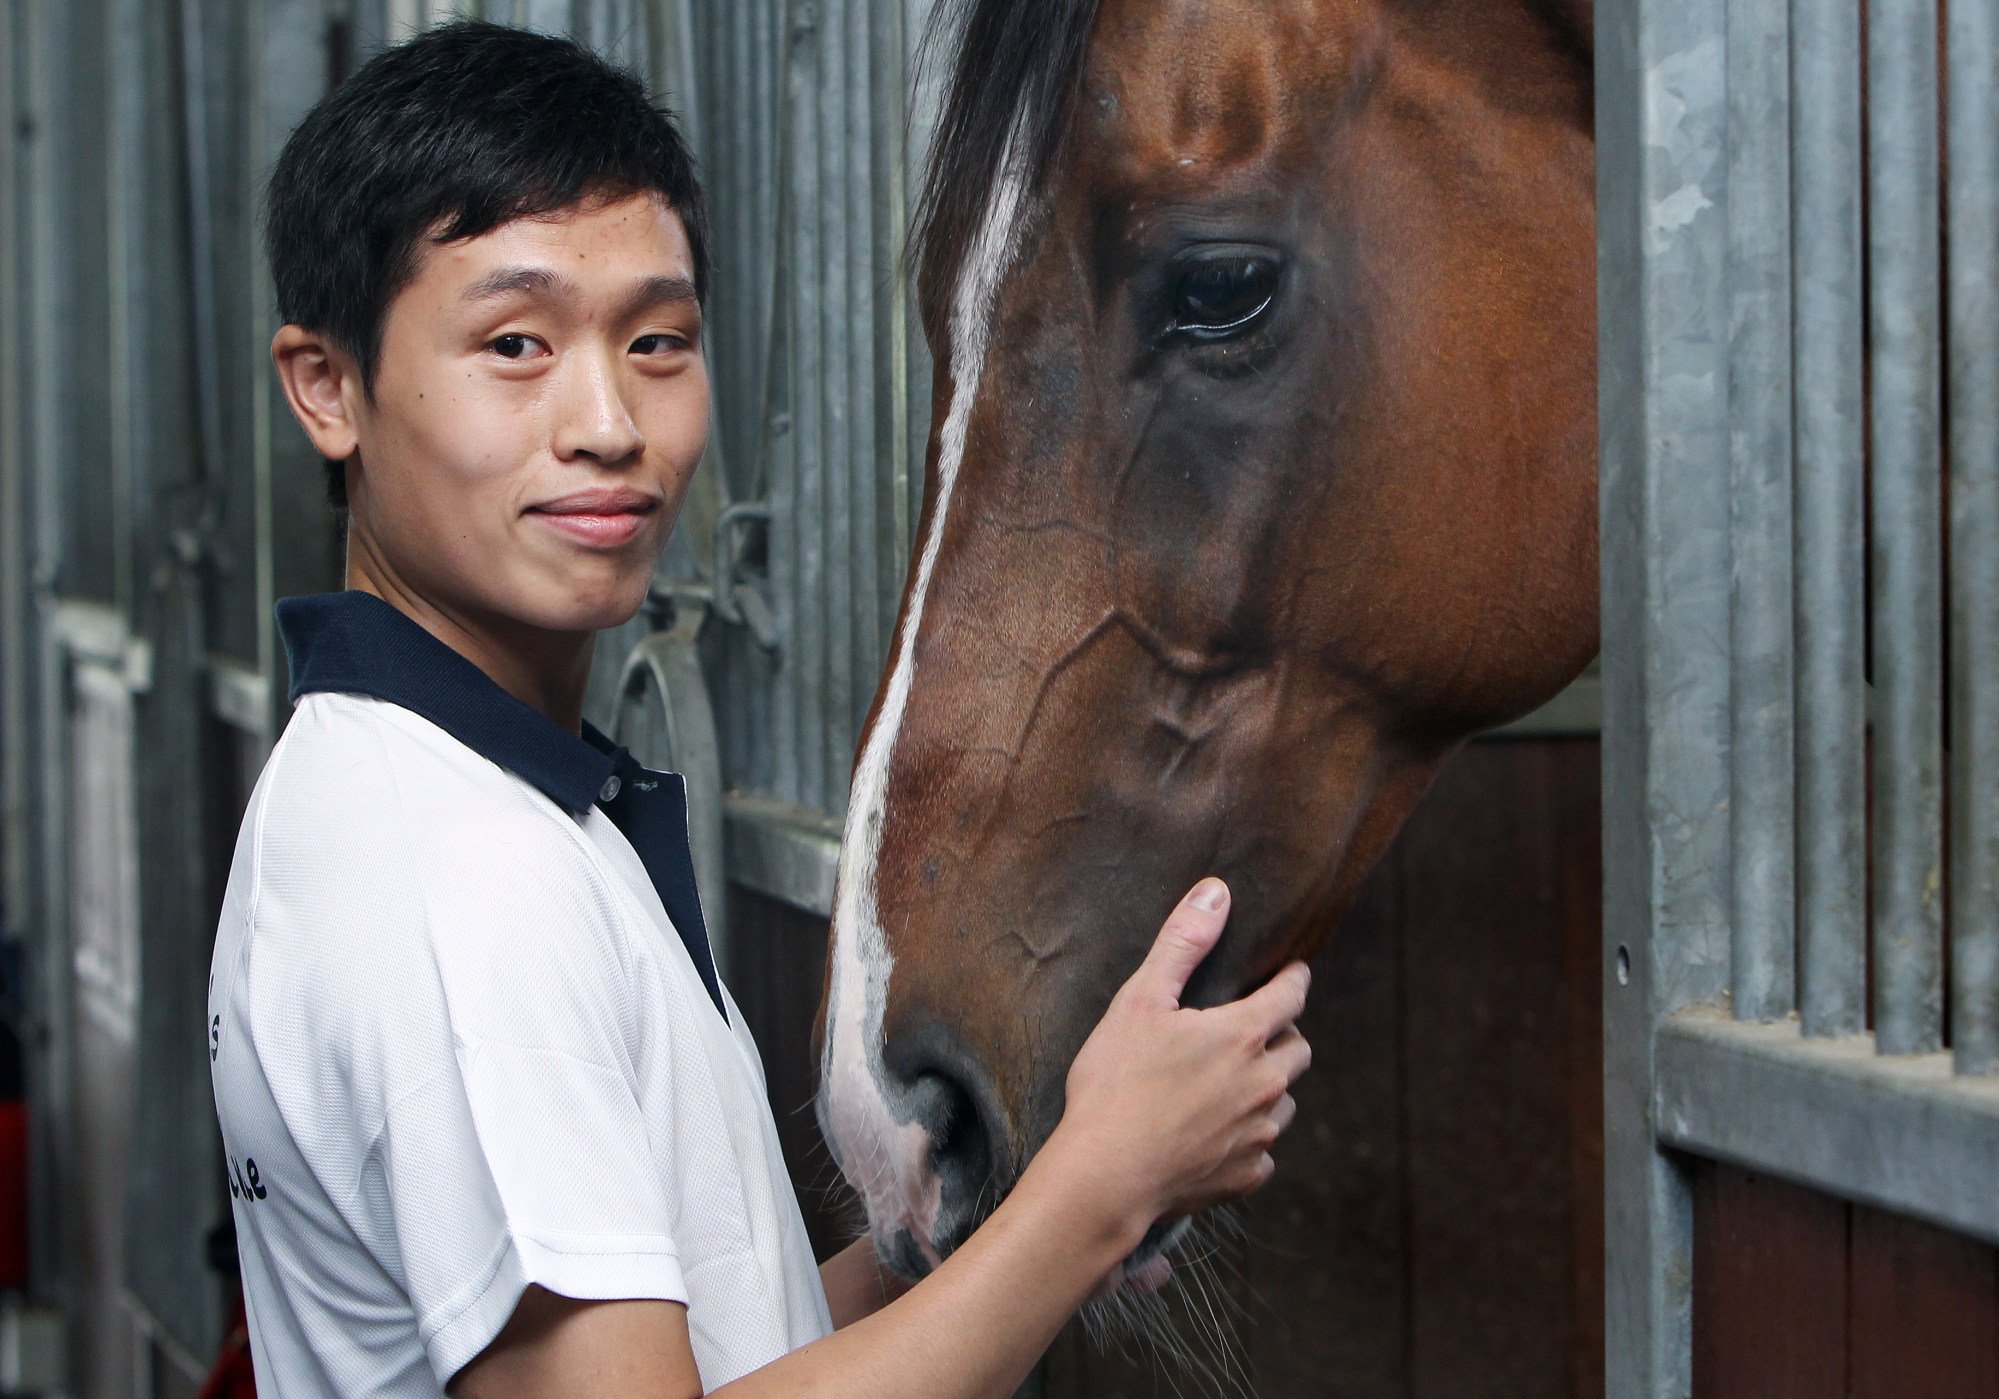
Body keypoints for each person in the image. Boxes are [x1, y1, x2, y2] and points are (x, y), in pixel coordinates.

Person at [207, 20, 1312, 1399]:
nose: (609, 419)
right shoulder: (457, 876)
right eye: (515, 343)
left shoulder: (455, 796)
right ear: (329, 388)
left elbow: (729, 1340)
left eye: (658, 340)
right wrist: (1091, 1192)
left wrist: (1045, 1200)